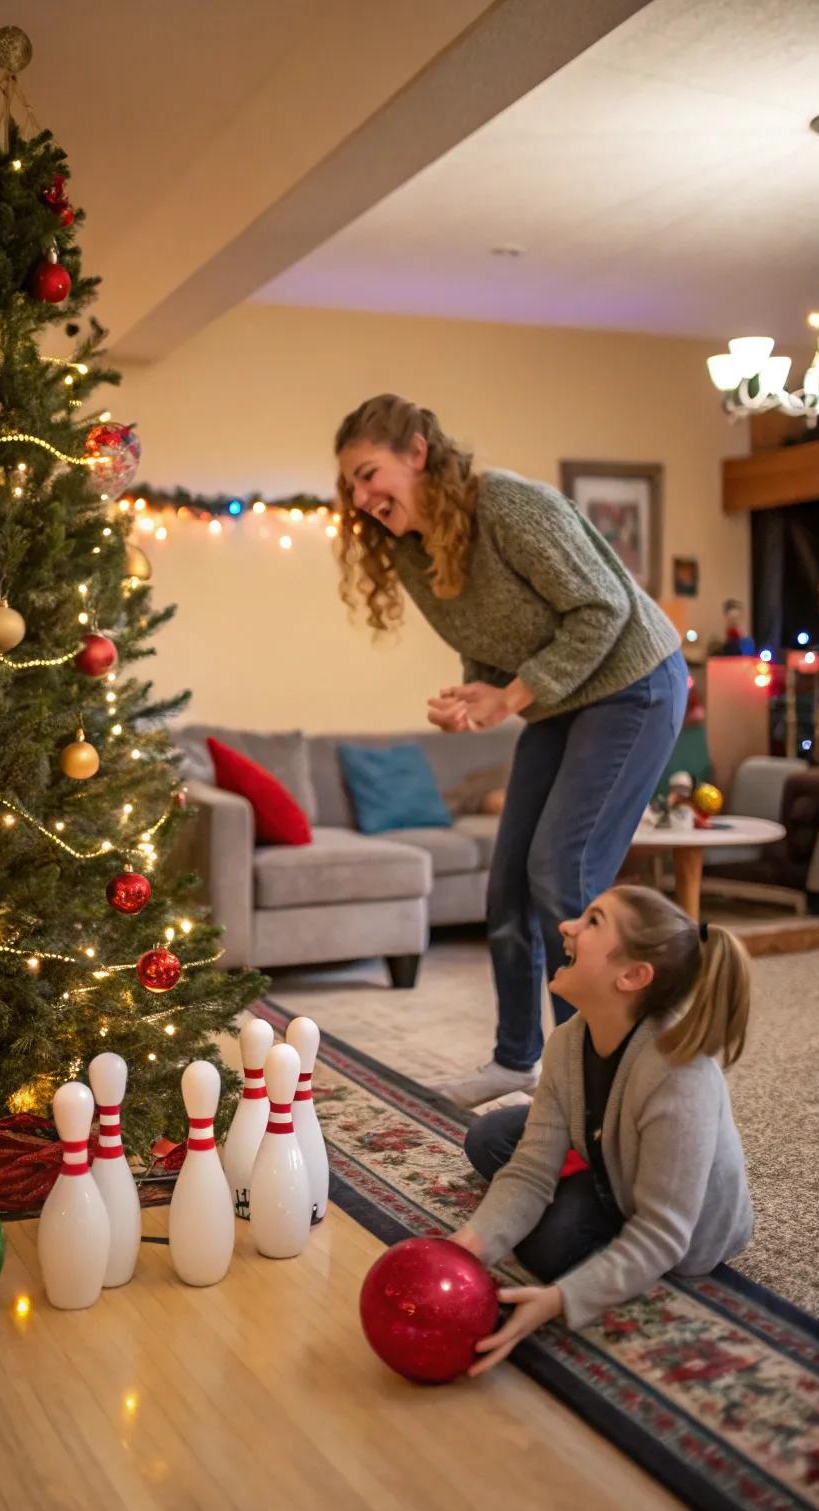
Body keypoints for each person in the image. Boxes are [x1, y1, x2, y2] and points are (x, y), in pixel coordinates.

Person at [334, 395, 688, 1104]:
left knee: (563, 872)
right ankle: (514, 1061)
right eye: (350, 486)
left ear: (417, 453)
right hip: (562, 700)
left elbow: (602, 611)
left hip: (633, 685)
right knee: (507, 888)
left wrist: (511, 698)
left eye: (369, 474)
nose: (361, 496)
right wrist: (477, 694)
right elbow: (489, 639)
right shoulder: (411, 549)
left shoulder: (512, 506)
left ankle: (595, 1078)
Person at [450, 884, 753, 1374]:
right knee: (489, 1138)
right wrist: (469, 1246)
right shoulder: (569, 1041)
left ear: (633, 975)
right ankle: (587, 1172)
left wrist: (559, 1301)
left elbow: (662, 1232)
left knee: (550, 1249)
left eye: (592, 922)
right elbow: (528, 1171)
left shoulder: (681, 1076)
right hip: (615, 1160)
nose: (566, 927)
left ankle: (588, 1189)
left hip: (689, 1235)